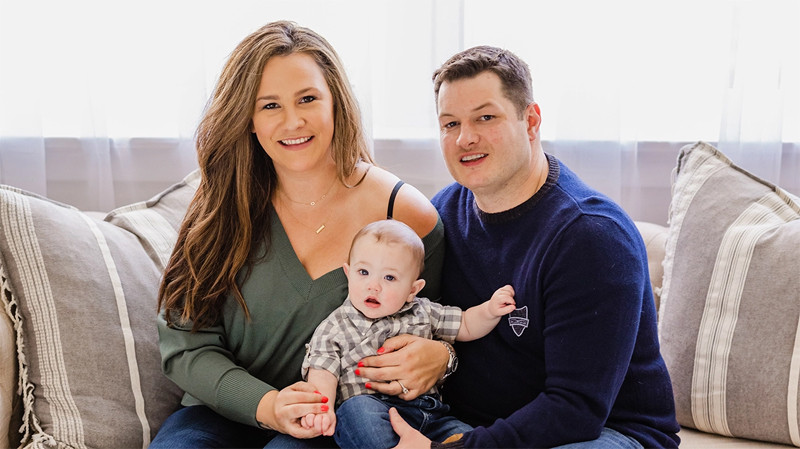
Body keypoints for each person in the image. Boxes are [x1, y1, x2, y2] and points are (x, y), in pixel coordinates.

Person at [149, 21, 452, 449]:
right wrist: (269, 405)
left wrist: (444, 357)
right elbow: (185, 344)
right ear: (248, 119)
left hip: (331, 422)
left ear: (336, 103)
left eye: (308, 99)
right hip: (219, 410)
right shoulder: (220, 202)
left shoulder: (403, 214)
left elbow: (433, 324)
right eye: (270, 105)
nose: (293, 121)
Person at [385, 46, 681, 448]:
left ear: (531, 121)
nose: (465, 138)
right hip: (469, 423)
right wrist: (442, 356)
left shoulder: (591, 237)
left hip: (599, 433)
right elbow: (420, 318)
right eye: (450, 123)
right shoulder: (443, 214)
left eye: (485, 117)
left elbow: (575, 410)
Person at [300, 219, 515, 448]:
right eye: (363, 272)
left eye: (389, 277)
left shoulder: (424, 311)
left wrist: (489, 311)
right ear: (348, 273)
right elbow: (322, 373)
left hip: (430, 416)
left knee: (473, 438)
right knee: (355, 412)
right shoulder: (334, 327)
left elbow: (466, 324)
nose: (374, 286)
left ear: (413, 289)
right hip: (371, 410)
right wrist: (321, 411)